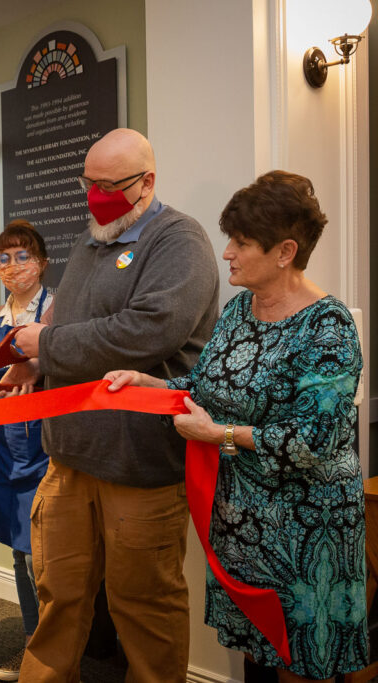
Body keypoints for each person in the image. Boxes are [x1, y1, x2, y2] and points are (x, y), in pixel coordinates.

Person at [105, 170, 367, 683]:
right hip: (241, 522)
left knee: (299, 662)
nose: (227, 252)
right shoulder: (238, 312)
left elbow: (314, 441)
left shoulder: (328, 326)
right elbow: (204, 387)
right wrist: (146, 382)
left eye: (241, 242)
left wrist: (218, 436)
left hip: (307, 531)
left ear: (285, 252)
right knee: (256, 655)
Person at [12, 128, 220, 682]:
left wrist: (49, 345)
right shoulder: (90, 241)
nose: (94, 195)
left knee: (144, 606)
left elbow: (148, 332)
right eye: (88, 183)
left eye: (108, 185)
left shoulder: (180, 241)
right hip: (69, 457)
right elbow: (71, 328)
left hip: (139, 465)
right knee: (58, 597)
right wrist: (38, 362)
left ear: (147, 182)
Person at [0, 221, 52, 682]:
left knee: (40, 555)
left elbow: (73, 367)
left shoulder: (59, 310)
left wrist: (34, 365)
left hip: (45, 445)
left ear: (42, 262)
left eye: (23, 255)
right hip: (3, 445)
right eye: (4, 258)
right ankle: (33, 645)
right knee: (16, 551)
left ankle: (48, 654)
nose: (12, 266)